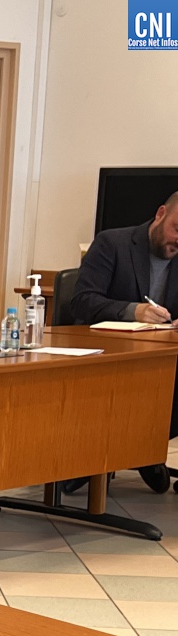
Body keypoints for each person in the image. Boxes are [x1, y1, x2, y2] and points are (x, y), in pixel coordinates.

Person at [68, 191, 178, 493]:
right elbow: (82, 301)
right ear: (160, 214)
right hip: (107, 354)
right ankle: (119, 452)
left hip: (162, 358)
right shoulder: (112, 243)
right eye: (176, 229)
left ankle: (144, 445)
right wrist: (133, 311)